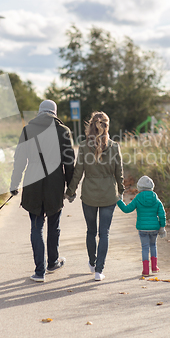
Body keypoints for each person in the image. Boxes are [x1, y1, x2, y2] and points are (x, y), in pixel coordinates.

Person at [10, 100, 75, 282]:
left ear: (39, 112)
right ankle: (53, 261)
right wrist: (70, 189)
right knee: (54, 225)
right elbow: (69, 163)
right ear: (54, 112)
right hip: (55, 182)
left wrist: (14, 184)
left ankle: (39, 272)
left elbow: (20, 160)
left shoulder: (27, 130)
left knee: (36, 227)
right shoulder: (63, 131)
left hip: (33, 181)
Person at [65, 111, 124, 281]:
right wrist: (120, 190)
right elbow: (119, 172)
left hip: (89, 194)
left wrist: (70, 191)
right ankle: (99, 270)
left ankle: (92, 262)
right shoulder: (114, 146)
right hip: (108, 195)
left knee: (91, 231)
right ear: (107, 126)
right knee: (104, 233)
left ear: (91, 126)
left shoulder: (84, 146)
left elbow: (78, 172)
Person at [117, 175, 166, 276]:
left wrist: (119, 201)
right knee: (153, 246)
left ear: (139, 188)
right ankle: (154, 267)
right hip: (154, 228)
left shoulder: (138, 198)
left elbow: (127, 209)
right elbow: (162, 214)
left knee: (144, 247)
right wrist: (162, 227)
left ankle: (145, 270)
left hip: (142, 228)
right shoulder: (155, 198)